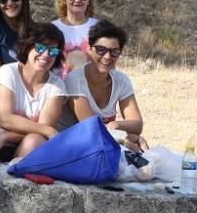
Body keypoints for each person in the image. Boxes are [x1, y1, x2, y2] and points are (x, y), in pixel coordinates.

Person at [0, 22, 67, 166]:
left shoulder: (56, 85)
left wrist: (5, 136)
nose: (45, 55)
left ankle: (18, 174)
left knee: (35, 139)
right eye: (40, 47)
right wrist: (48, 130)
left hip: (26, 144)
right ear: (28, 47)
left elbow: (42, 131)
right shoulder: (8, 72)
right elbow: (5, 119)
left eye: (53, 51)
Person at [62, 20, 148, 152]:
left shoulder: (121, 80)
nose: (107, 57)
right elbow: (91, 128)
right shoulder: (74, 81)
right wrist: (127, 139)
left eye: (114, 52)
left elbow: (137, 124)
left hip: (101, 143)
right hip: (73, 146)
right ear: (89, 49)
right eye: (101, 50)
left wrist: (116, 125)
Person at [51, 0, 98, 77]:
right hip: (60, 88)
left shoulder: (99, 28)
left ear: (89, 0)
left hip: (90, 88)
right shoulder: (52, 28)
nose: (77, 0)